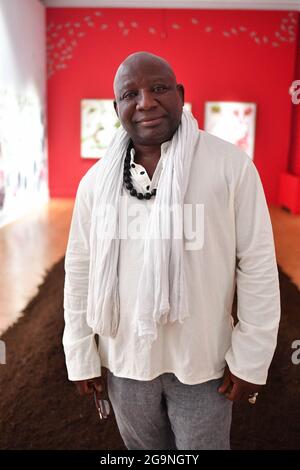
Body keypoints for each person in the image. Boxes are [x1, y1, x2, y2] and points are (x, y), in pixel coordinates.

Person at [63, 51, 281, 450]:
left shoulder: (230, 166)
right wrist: (80, 352)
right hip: (124, 360)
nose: (145, 101)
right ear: (117, 108)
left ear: (180, 94)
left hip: (203, 361)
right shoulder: (95, 183)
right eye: (130, 94)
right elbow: (80, 268)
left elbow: (257, 264)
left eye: (158, 88)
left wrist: (252, 355)